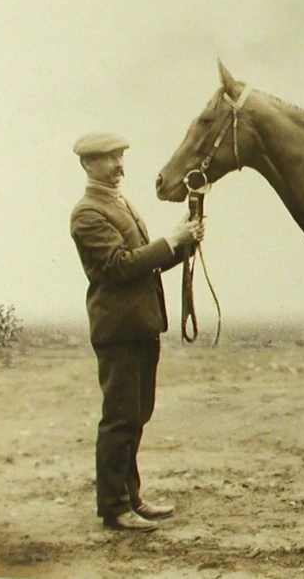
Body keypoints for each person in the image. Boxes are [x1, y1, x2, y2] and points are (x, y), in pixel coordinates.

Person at [69, 132, 204, 532]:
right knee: (120, 418)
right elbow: (118, 266)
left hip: (142, 326)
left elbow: (144, 264)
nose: (119, 166)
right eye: (110, 158)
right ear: (88, 164)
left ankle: (131, 498)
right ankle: (113, 507)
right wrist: (170, 240)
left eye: (121, 156)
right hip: (119, 331)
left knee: (137, 415)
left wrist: (185, 244)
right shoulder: (88, 212)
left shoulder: (119, 203)